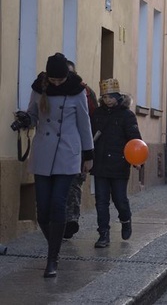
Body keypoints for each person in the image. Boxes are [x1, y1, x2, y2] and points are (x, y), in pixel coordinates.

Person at [22, 53, 94, 277]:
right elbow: (33, 115)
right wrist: (25, 119)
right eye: (53, 80)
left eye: (59, 80)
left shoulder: (77, 90)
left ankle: (51, 259)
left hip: (67, 153)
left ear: (66, 76)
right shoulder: (38, 87)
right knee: (42, 211)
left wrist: (88, 154)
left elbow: (84, 123)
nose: (56, 83)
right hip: (43, 152)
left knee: (57, 204)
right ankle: (55, 246)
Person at [90, 78, 142, 249]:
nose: (108, 100)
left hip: (119, 164)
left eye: (111, 97)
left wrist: (137, 159)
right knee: (101, 201)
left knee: (120, 199)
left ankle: (126, 220)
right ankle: (103, 234)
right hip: (100, 163)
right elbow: (89, 136)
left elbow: (134, 138)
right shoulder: (97, 114)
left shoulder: (127, 115)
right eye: (104, 97)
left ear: (117, 96)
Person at [62, 59, 98, 240]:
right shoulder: (52, 91)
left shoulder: (85, 92)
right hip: (59, 145)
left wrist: (89, 150)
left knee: (74, 184)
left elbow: (92, 120)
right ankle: (60, 221)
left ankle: (71, 220)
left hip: (80, 145)